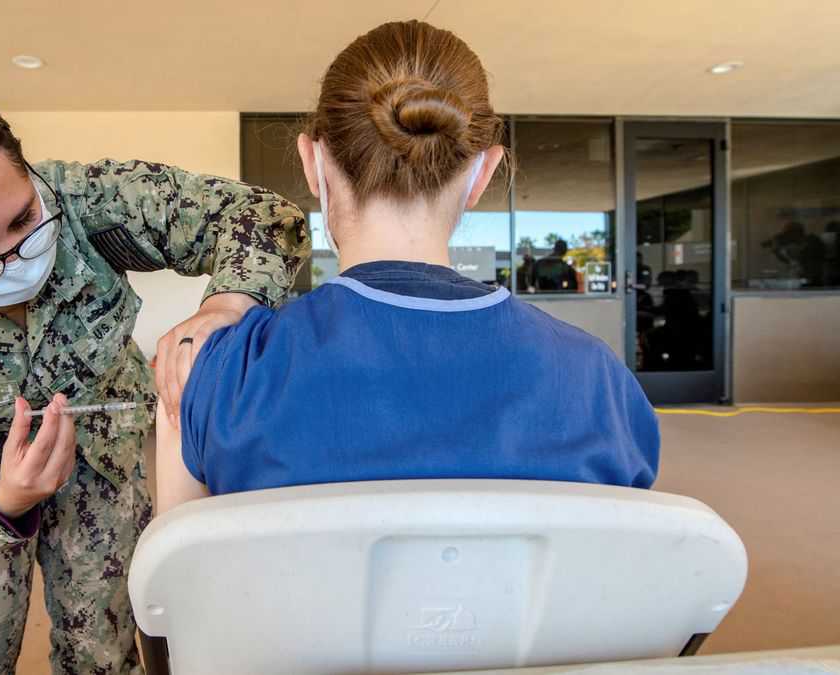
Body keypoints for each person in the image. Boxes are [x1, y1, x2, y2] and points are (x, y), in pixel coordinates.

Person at [0, 73, 308, 675]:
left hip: (102, 458)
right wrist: (5, 500)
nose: (14, 258)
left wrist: (228, 306)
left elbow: (264, 216)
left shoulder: (87, 202)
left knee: (102, 644)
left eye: (25, 218)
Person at [156, 21, 658, 514]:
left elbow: (179, 589)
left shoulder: (205, 373)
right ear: (483, 173)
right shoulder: (599, 381)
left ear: (314, 163)